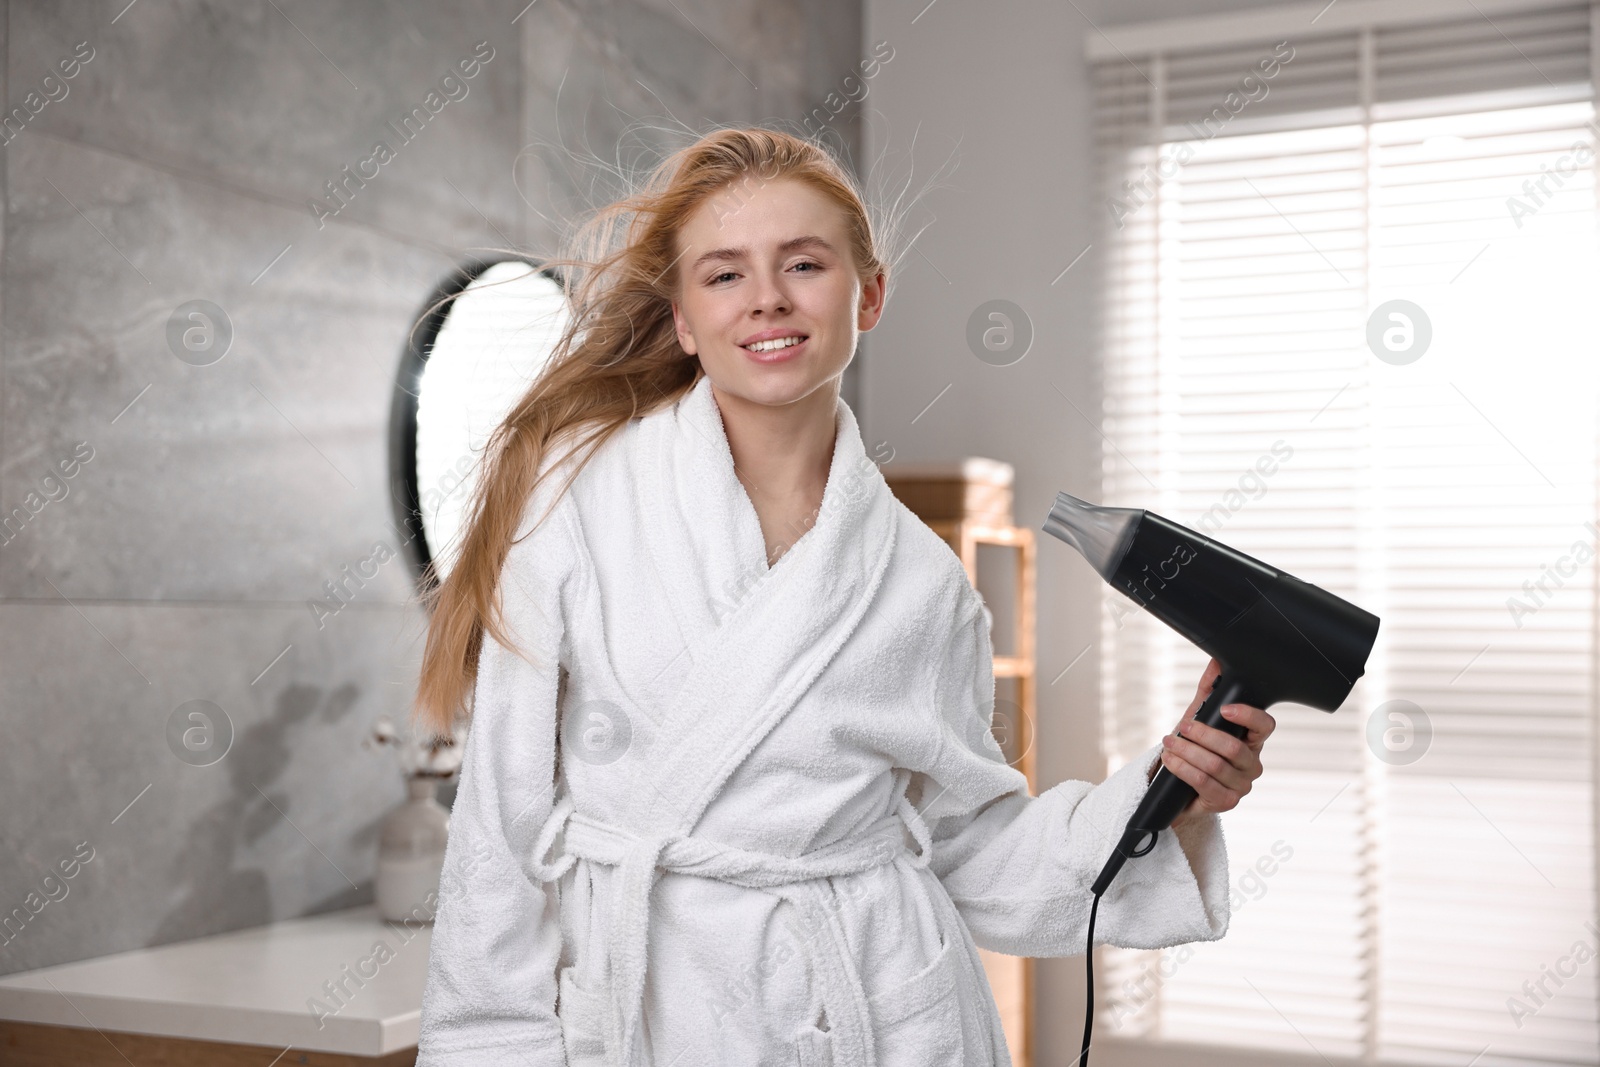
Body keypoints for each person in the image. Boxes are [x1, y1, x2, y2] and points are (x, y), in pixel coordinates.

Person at [410, 126, 1276, 1067]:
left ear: (869, 292)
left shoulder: (924, 582)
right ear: (683, 321)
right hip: (644, 1015)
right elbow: (499, 831)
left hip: (873, 1014)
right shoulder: (575, 500)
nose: (769, 298)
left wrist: (1166, 795)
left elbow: (971, 847)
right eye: (725, 274)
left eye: (804, 263)